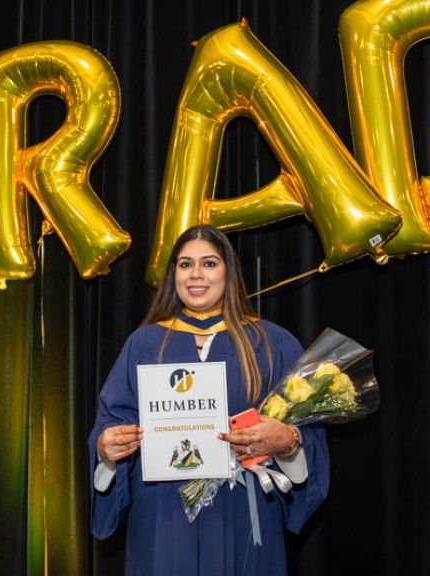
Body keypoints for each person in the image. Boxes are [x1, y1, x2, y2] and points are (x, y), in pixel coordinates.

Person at [88, 225, 330, 575]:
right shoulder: (144, 345)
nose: (196, 274)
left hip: (244, 511)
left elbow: (307, 437)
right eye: (185, 264)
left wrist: (288, 442)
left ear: (228, 272)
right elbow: (111, 421)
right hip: (163, 512)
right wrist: (106, 450)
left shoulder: (272, 343)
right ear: (173, 275)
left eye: (209, 263)